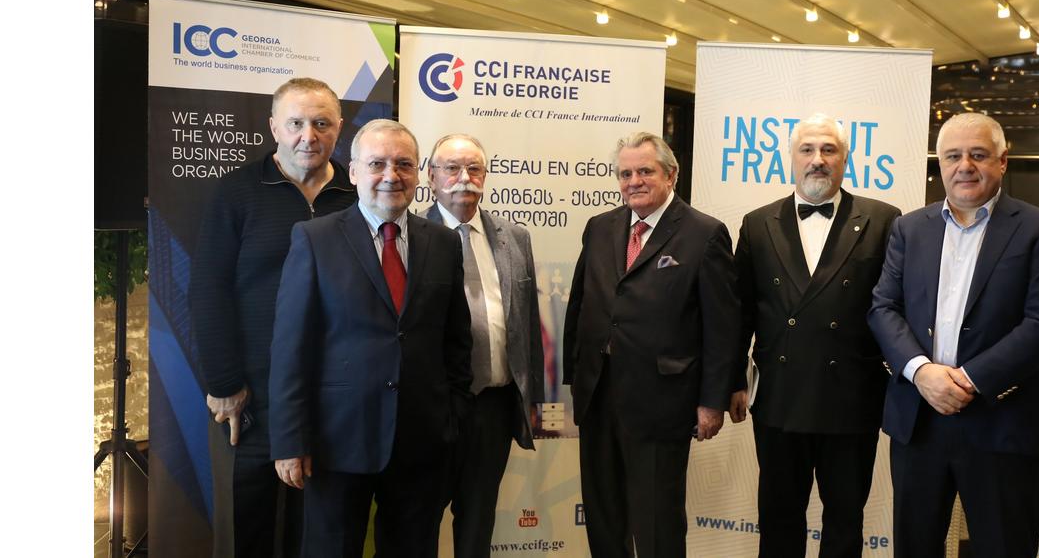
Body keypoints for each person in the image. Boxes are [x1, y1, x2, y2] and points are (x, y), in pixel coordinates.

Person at [268, 119, 472, 558]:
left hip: (421, 442)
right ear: (355, 171)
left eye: (404, 164)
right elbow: (290, 349)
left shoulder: (443, 243)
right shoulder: (315, 239)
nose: (391, 175)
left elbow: (456, 341)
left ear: (419, 173)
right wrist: (290, 440)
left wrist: (451, 418)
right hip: (336, 442)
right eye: (377, 163)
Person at [868, 113, 1039, 558]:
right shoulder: (909, 228)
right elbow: (883, 308)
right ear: (940, 163)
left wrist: (968, 380)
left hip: (1001, 422)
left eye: (978, 155)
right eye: (953, 156)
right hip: (919, 420)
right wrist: (921, 373)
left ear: (1003, 161)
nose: (965, 166)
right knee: (915, 549)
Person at [190, 77, 356, 557]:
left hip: (333, 398)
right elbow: (208, 289)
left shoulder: (356, 196)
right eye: (296, 123)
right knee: (248, 530)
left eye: (321, 123)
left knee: (320, 535)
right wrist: (225, 383)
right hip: (250, 399)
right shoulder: (237, 192)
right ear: (273, 128)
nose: (309, 135)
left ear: (339, 127)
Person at [730, 114, 900, 557]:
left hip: (852, 399)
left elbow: (894, 310)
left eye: (829, 150)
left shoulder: (883, 220)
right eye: (807, 149)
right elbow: (740, 313)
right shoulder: (757, 223)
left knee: (845, 523)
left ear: (845, 159)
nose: (817, 159)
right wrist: (732, 381)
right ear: (791, 157)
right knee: (779, 522)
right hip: (779, 397)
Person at [563, 131, 739, 558]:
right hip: (598, 396)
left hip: (662, 403)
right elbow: (580, 303)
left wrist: (712, 401)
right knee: (604, 520)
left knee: (657, 525)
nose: (634, 181)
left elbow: (723, 327)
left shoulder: (704, 233)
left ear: (671, 175)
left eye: (645, 171)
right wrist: (574, 376)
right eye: (625, 174)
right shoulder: (600, 227)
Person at [423, 133, 545, 557]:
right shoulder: (410, 235)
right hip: (431, 408)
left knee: (478, 522)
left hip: (493, 406)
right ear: (431, 176)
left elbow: (528, 320)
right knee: (420, 521)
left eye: (474, 168)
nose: (464, 177)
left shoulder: (514, 237)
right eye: (452, 168)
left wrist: (531, 396)